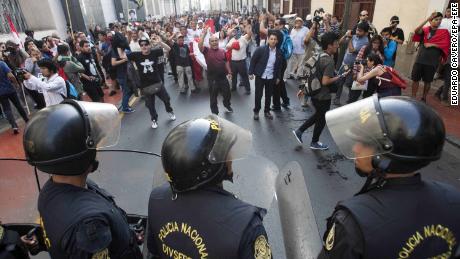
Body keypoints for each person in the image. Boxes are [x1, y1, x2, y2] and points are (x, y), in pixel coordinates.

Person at [319, 95, 460, 258]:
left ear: (384, 156)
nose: (356, 148)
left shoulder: (353, 223)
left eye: (364, 143)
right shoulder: (453, 200)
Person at [23, 100, 143, 259]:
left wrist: (128, 235)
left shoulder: (50, 191)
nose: (96, 150)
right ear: (80, 158)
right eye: (93, 146)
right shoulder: (89, 227)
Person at [147, 115, 271, 258]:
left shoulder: (156, 198)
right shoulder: (245, 224)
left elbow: (154, 249)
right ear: (207, 171)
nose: (229, 157)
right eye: (223, 154)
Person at [292, 32, 348, 150]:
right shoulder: (329, 61)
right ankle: (312, 140)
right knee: (321, 118)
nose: (338, 46)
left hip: (314, 93)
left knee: (319, 116)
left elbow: (308, 72)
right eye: (336, 44)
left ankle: (303, 133)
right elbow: (325, 82)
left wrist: (303, 88)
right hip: (323, 95)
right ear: (329, 46)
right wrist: (340, 76)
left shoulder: (318, 55)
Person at [127, 37, 175, 129]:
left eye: (146, 44)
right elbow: (123, 56)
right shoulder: (136, 55)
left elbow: (168, 49)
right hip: (145, 86)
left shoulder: (155, 52)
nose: (144, 46)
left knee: (166, 99)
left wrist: (160, 42)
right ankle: (154, 119)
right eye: (142, 45)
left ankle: (169, 111)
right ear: (140, 47)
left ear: (149, 45)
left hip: (157, 82)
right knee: (150, 105)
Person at [411, 12, 449, 102]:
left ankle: (424, 97)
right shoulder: (425, 30)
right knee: (415, 79)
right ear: (431, 21)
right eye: (436, 19)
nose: (438, 21)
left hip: (432, 61)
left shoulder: (444, 32)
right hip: (420, 59)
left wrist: (433, 44)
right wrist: (427, 19)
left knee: (427, 81)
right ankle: (413, 97)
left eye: (440, 19)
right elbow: (416, 31)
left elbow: (446, 45)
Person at [249, 32, 283, 120]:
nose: (273, 41)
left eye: (275, 39)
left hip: (271, 77)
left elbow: (279, 66)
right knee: (258, 95)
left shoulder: (279, 52)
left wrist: (278, 77)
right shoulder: (261, 49)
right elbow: (253, 60)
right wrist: (250, 73)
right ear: (268, 39)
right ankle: (256, 111)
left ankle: (267, 111)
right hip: (261, 76)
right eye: (271, 39)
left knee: (268, 96)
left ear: (277, 41)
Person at [198, 30, 233, 115]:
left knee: (227, 94)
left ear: (218, 41)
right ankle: (215, 113)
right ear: (209, 43)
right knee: (213, 97)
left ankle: (227, 104)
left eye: (216, 40)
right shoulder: (206, 50)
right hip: (212, 79)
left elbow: (226, 62)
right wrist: (203, 35)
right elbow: (200, 46)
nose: (214, 42)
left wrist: (229, 72)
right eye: (212, 41)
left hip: (223, 78)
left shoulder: (222, 51)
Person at [334, 22, 369, 106]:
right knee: (340, 81)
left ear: (365, 33)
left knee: (350, 84)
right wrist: (346, 35)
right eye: (357, 30)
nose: (357, 32)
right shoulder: (353, 36)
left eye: (360, 31)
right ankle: (337, 99)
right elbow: (340, 43)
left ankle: (350, 102)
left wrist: (349, 39)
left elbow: (351, 50)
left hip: (354, 66)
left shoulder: (365, 41)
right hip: (345, 63)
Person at [348, 36, 385, 102]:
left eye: (378, 43)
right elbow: (357, 60)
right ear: (371, 42)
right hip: (361, 74)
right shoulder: (365, 48)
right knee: (354, 96)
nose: (376, 44)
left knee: (367, 98)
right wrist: (355, 72)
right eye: (374, 42)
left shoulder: (380, 53)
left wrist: (377, 53)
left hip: (371, 78)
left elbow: (381, 63)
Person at [0, 60, 29, 134]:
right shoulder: (2, 63)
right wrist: (16, 84)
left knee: (6, 108)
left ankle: (14, 126)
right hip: (9, 88)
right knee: (18, 105)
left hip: (1, 93)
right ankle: (26, 120)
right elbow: (11, 76)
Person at [226, 24, 252, 94]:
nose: (236, 33)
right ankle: (234, 87)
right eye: (235, 31)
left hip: (241, 62)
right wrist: (233, 45)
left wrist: (246, 28)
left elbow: (249, 34)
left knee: (244, 76)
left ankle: (248, 89)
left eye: (237, 31)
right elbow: (227, 47)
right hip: (233, 62)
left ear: (240, 31)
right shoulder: (232, 39)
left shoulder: (243, 38)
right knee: (233, 76)